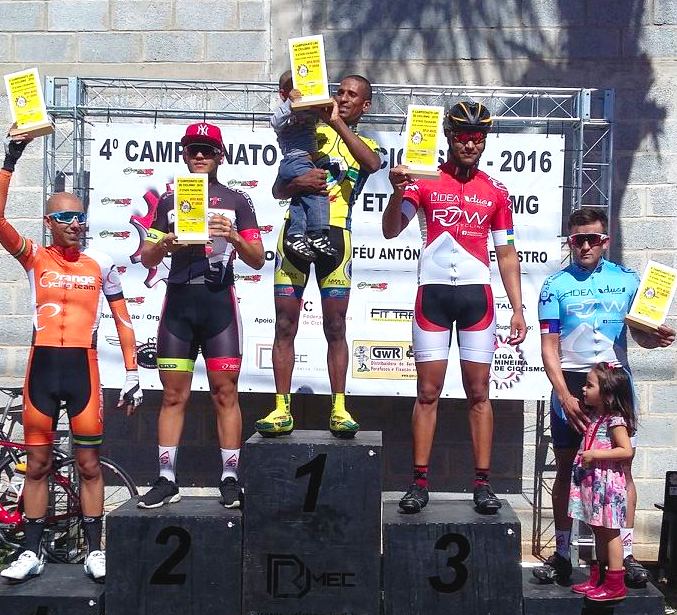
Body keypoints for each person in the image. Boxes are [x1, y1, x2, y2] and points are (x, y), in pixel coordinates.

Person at [0, 132, 142, 583]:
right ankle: (30, 551)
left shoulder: (99, 262)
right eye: (65, 217)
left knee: (88, 465)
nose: (75, 224)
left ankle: (94, 549)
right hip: (42, 369)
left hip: (84, 368)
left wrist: (134, 371)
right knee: (38, 465)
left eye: (80, 217)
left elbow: (122, 319)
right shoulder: (34, 257)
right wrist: (12, 154)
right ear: (49, 221)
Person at [381, 101, 526, 515]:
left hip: (476, 296)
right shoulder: (422, 180)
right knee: (427, 392)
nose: (470, 144)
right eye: (463, 136)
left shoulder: (496, 190)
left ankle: (483, 483)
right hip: (434, 296)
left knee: (479, 392)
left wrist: (517, 309)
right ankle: (419, 482)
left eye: (478, 138)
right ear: (448, 137)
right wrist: (396, 192)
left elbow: (507, 253)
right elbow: (392, 231)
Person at [534, 207, 675, 585]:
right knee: (566, 467)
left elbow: (640, 335)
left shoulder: (627, 280)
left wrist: (655, 337)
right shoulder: (554, 285)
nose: (584, 246)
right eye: (577, 239)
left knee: (621, 468)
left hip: (614, 383)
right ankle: (563, 553)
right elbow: (548, 346)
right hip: (573, 381)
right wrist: (563, 394)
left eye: (592, 239)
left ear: (605, 241)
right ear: (569, 240)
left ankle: (624, 556)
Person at [138, 122, 264, 510]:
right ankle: (166, 479)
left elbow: (258, 259)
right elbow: (146, 256)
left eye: (206, 150)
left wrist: (235, 236)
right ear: (183, 154)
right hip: (178, 305)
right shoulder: (170, 200)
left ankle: (229, 477)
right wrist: (167, 244)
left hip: (218, 306)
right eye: (192, 149)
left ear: (220, 156)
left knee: (225, 393)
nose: (199, 155)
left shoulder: (238, 201)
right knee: (174, 395)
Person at [255, 75, 381, 439]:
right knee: (283, 324)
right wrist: (299, 184)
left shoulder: (363, 142)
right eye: (338, 91)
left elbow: (371, 165)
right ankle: (281, 408)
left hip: (336, 238)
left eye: (351, 95)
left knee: (336, 327)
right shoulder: (308, 128)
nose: (342, 98)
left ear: (364, 105)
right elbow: (279, 188)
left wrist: (336, 122)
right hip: (292, 235)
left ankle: (339, 408)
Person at [568, 363, 636, 601]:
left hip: (607, 485)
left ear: (607, 393)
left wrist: (595, 455)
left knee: (610, 532)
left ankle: (616, 582)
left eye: (589, 385)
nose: (583, 389)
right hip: (594, 483)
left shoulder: (615, 420)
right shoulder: (597, 416)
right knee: (598, 530)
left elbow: (626, 451)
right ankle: (598, 578)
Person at [271, 70, 336, 261]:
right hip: (295, 160)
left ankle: (296, 235)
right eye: (293, 88)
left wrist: (327, 101)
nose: (299, 91)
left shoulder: (309, 111)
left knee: (301, 198)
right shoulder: (286, 111)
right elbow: (275, 122)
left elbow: (326, 115)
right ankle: (317, 232)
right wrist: (290, 103)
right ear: (284, 93)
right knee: (317, 190)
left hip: (306, 160)